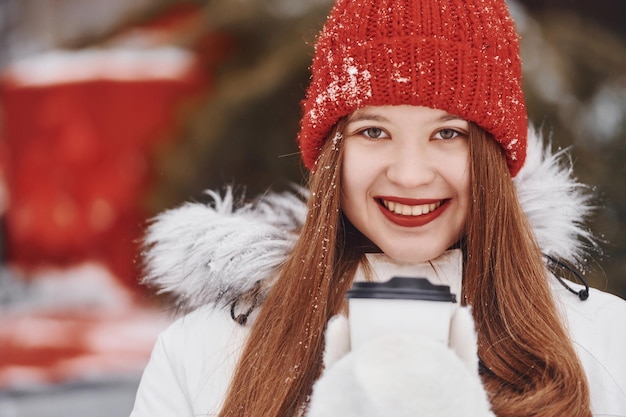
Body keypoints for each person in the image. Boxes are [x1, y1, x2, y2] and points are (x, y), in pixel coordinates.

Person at [129, 0, 626, 416]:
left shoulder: (606, 341)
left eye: (448, 133)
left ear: (492, 157)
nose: (410, 175)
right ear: (331, 156)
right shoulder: (200, 351)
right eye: (373, 131)